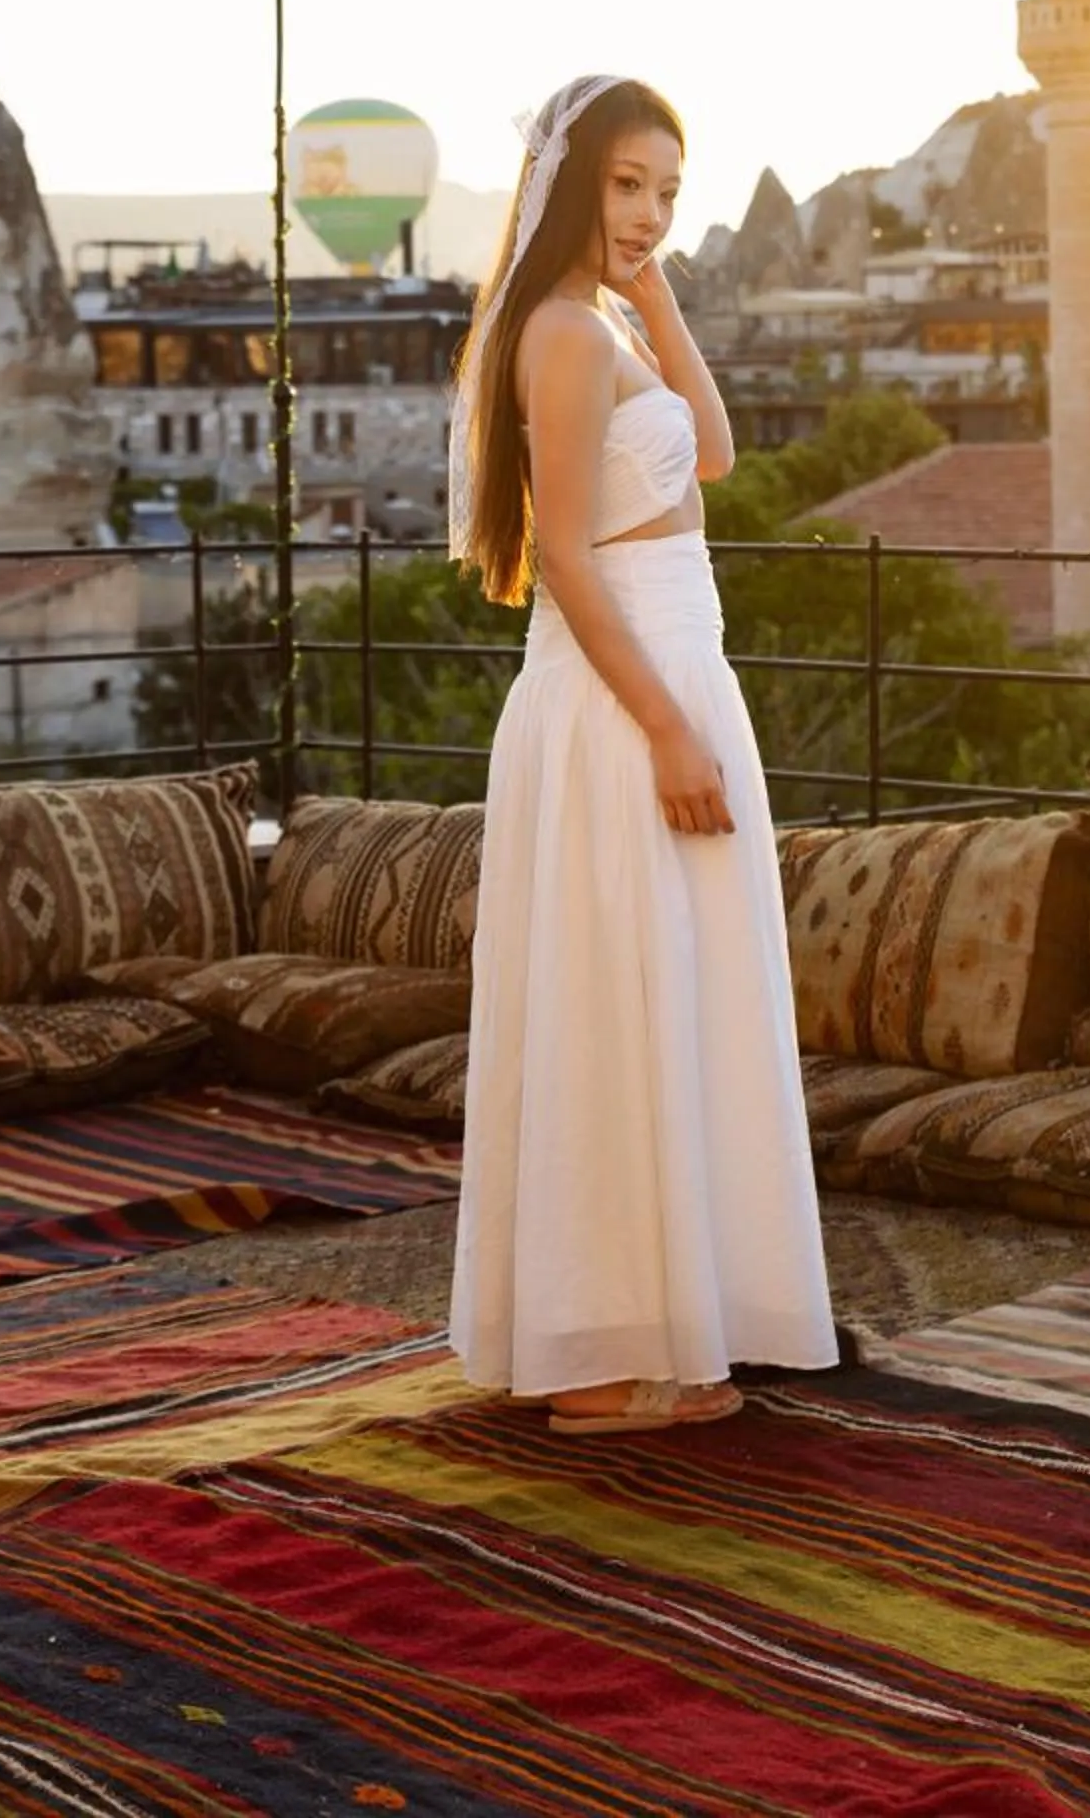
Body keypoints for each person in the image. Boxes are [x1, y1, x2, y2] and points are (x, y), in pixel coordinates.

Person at [446, 74, 837, 1434]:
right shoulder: (555, 332)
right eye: (627, 184)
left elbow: (712, 456)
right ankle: (599, 1362)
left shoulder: (605, 319)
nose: (652, 210)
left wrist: (662, 297)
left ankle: (656, 1326)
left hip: (674, 672)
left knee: (672, 996)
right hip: (625, 700)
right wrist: (664, 725)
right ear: (569, 183)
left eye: (669, 188)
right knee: (616, 1004)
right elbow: (561, 554)